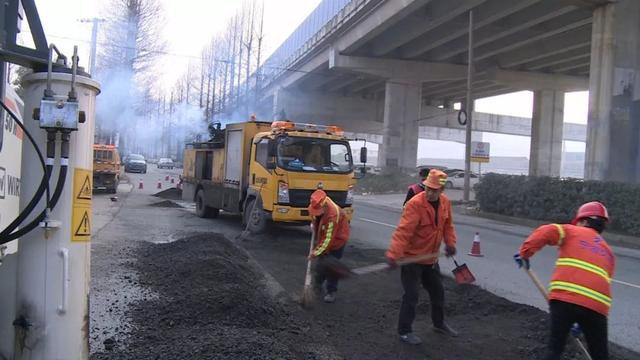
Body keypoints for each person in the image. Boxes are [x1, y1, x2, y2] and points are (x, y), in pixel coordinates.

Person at [514, 201, 615, 360]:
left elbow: (546, 231)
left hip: (565, 300)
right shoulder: (608, 252)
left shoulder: (571, 231)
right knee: (600, 355)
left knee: (555, 349)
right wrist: (581, 324)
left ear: (583, 221)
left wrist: (524, 253)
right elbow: (600, 282)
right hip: (597, 308)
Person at [386, 169, 458, 345]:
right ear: (425, 185)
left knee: (438, 292)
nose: (431, 193)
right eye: (428, 188)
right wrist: (394, 254)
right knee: (411, 295)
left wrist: (450, 244)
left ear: (442, 191)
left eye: (435, 190)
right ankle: (404, 331)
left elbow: (448, 226)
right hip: (412, 259)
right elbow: (403, 232)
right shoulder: (414, 204)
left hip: (431, 259)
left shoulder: (445, 203)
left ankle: (439, 324)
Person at [308, 189, 350, 303]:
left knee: (331, 267)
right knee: (320, 265)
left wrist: (315, 252)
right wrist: (313, 223)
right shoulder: (315, 203)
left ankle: (331, 291)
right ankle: (317, 287)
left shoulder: (333, 215)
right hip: (325, 237)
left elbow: (328, 240)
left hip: (337, 241)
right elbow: (313, 215)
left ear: (324, 206)